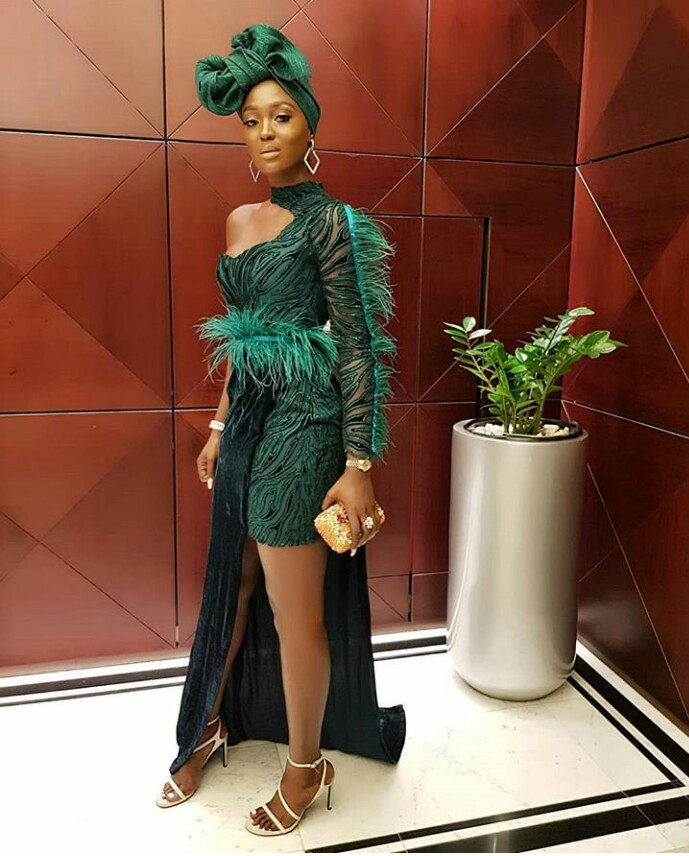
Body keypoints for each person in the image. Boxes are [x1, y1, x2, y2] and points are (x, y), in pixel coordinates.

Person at [155, 23, 406, 837]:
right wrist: (219, 423)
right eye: (251, 120)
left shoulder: (332, 223)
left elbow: (359, 345)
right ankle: (208, 724)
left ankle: (306, 767)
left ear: (310, 124)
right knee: (232, 579)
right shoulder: (239, 221)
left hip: (306, 422)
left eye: (282, 116)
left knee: (294, 609)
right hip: (250, 420)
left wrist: (358, 462)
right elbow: (244, 337)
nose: (265, 133)